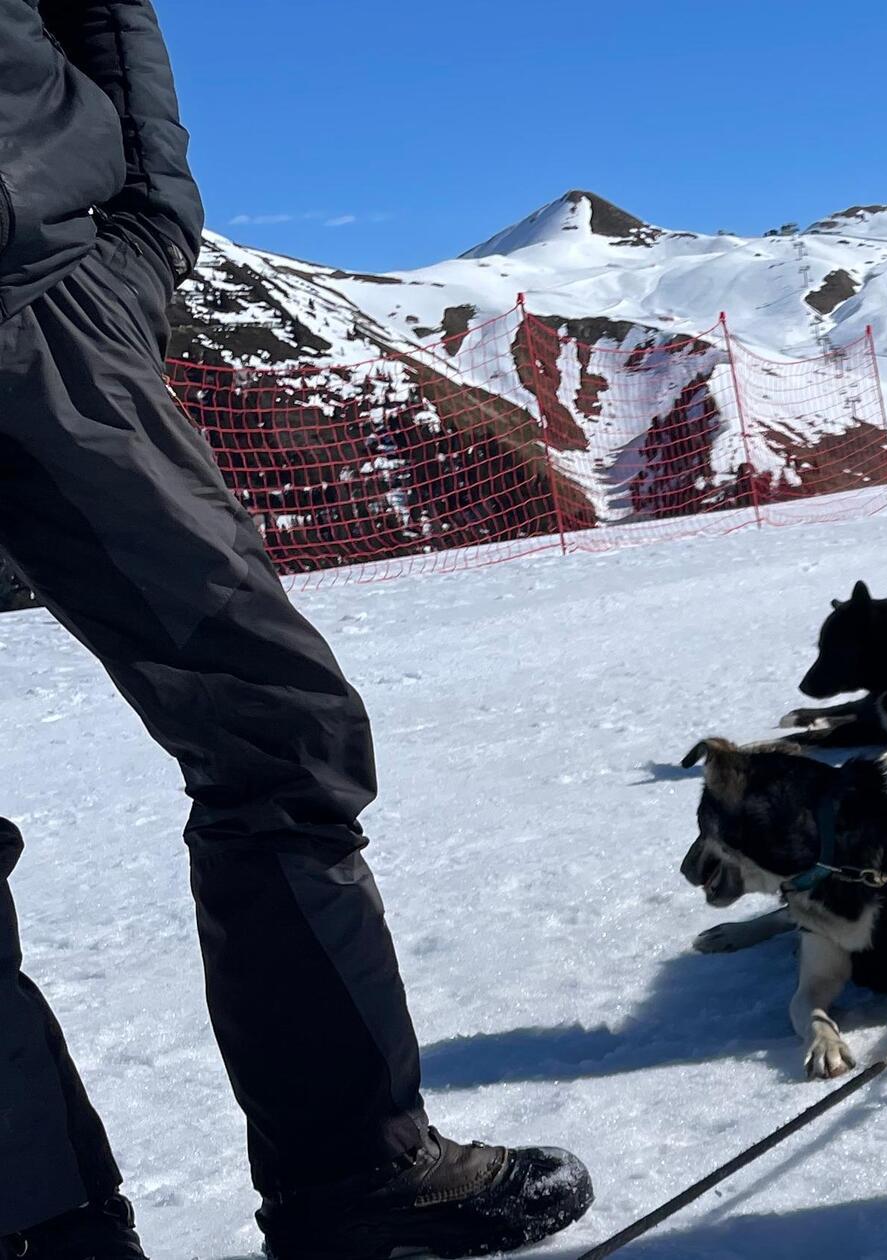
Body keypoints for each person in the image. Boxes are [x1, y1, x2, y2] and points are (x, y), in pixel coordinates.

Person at [0, 5, 593, 1257]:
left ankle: (356, 1181)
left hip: (41, 299)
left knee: (278, 734)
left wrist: (147, 223)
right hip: (51, 291)